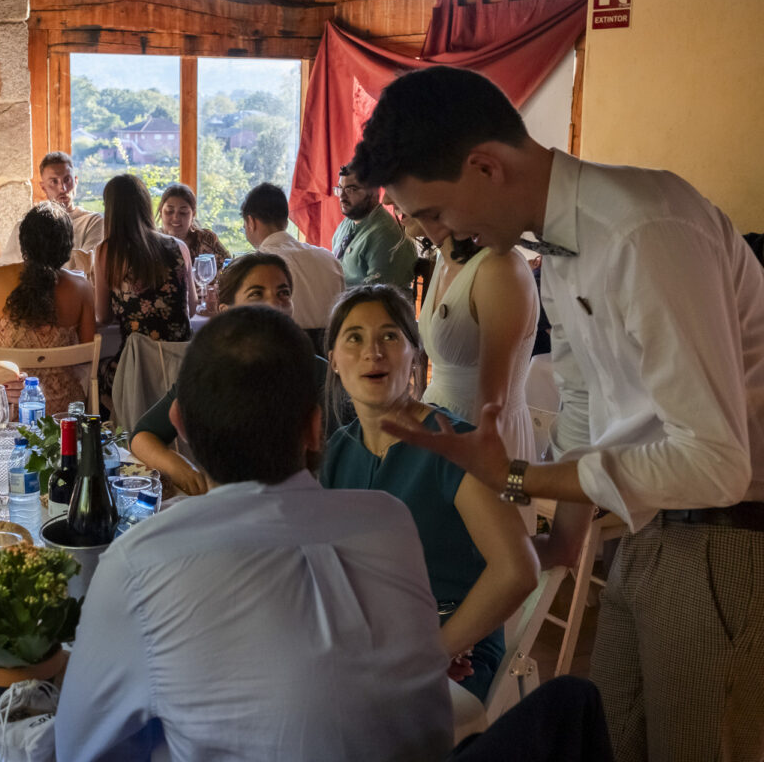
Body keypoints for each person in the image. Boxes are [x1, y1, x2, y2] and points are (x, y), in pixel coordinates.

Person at [359, 65, 764, 760]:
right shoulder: (562, 243)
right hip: (649, 531)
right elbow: (582, 404)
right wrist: (565, 540)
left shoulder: (644, 229)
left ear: (485, 166)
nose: (436, 233)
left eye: (433, 213)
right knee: (609, 741)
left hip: (725, 536)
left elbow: (716, 463)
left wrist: (521, 479)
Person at [56, 307, 453, 761]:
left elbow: (80, 749)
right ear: (315, 428)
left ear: (179, 423)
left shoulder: (140, 564)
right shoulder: (391, 523)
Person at [320, 285, 538, 700]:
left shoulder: (455, 446)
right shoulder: (337, 451)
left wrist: (434, 650)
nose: (372, 352)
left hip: (457, 645)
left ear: (415, 356)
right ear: (333, 360)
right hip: (370, 640)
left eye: (389, 336)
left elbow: (518, 570)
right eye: (354, 338)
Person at [130, 252, 332, 495]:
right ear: (226, 312)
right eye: (256, 294)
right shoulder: (210, 371)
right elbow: (143, 435)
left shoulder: (314, 370)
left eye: (283, 293)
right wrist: (182, 470)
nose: (274, 304)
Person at [404, 218, 539, 463]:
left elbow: (493, 405)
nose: (388, 200)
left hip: (484, 434)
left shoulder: (499, 269)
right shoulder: (444, 260)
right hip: (439, 417)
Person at [0, 202, 96, 414]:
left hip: (10, 407)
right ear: (67, 244)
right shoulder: (82, 288)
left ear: (24, 241)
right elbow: (87, 353)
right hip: (65, 412)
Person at [95, 174, 196, 394]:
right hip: (180, 369)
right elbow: (192, 308)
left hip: (137, 370)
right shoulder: (179, 247)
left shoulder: (108, 251)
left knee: (96, 373)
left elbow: (103, 317)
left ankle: (119, 415)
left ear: (110, 210)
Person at [241, 182, 344, 342]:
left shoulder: (258, 267)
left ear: (251, 222)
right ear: (286, 221)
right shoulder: (329, 258)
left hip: (283, 350)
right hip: (331, 352)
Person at [332, 163, 417, 289]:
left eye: (351, 190)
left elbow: (377, 296)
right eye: (340, 189)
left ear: (373, 191)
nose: (342, 197)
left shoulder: (386, 236)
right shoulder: (347, 224)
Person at [157, 182, 230, 268]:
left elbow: (231, 267)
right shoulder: (151, 242)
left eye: (183, 212)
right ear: (161, 212)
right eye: (170, 211)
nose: (176, 217)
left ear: (193, 214)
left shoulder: (207, 239)